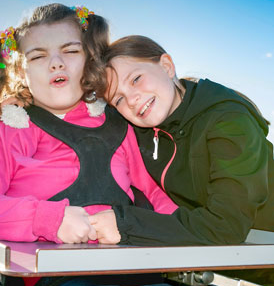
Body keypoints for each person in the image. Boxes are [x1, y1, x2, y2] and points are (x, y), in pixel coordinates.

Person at [0, 8, 207, 286]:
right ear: (22, 71)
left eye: (70, 51)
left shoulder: (117, 125)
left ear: (89, 60)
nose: (56, 63)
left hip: (133, 270)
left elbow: (152, 193)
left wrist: (187, 232)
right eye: (38, 56)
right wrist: (48, 219)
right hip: (52, 281)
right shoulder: (11, 128)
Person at [89, 35, 274, 249]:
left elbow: (226, 226)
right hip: (203, 262)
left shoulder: (230, 121)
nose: (132, 100)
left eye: (136, 79)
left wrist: (125, 225)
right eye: (118, 99)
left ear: (167, 66)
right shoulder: (138, 131)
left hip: (262, 261)